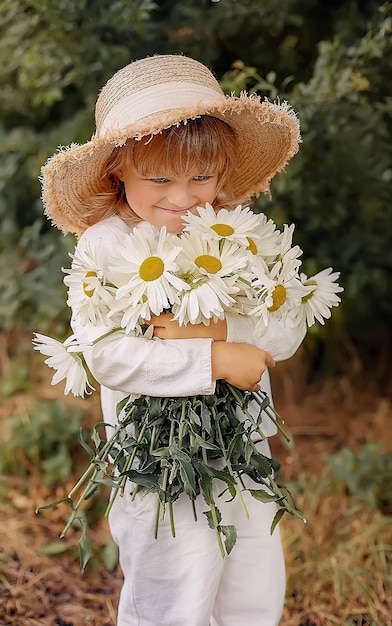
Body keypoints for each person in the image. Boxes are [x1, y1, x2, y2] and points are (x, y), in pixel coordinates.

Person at [41, 54, 306, 626]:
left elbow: (287, 323)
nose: (183, 198)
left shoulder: (236, 230)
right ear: (118, 171)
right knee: (173, 579)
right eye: (159, 178)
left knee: (252, 572)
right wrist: (214, 359)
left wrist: (213, 332)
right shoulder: (106, 247)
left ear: (223, 171)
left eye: (201, 178)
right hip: (157, 457)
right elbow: (109, 352)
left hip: (242, 448)